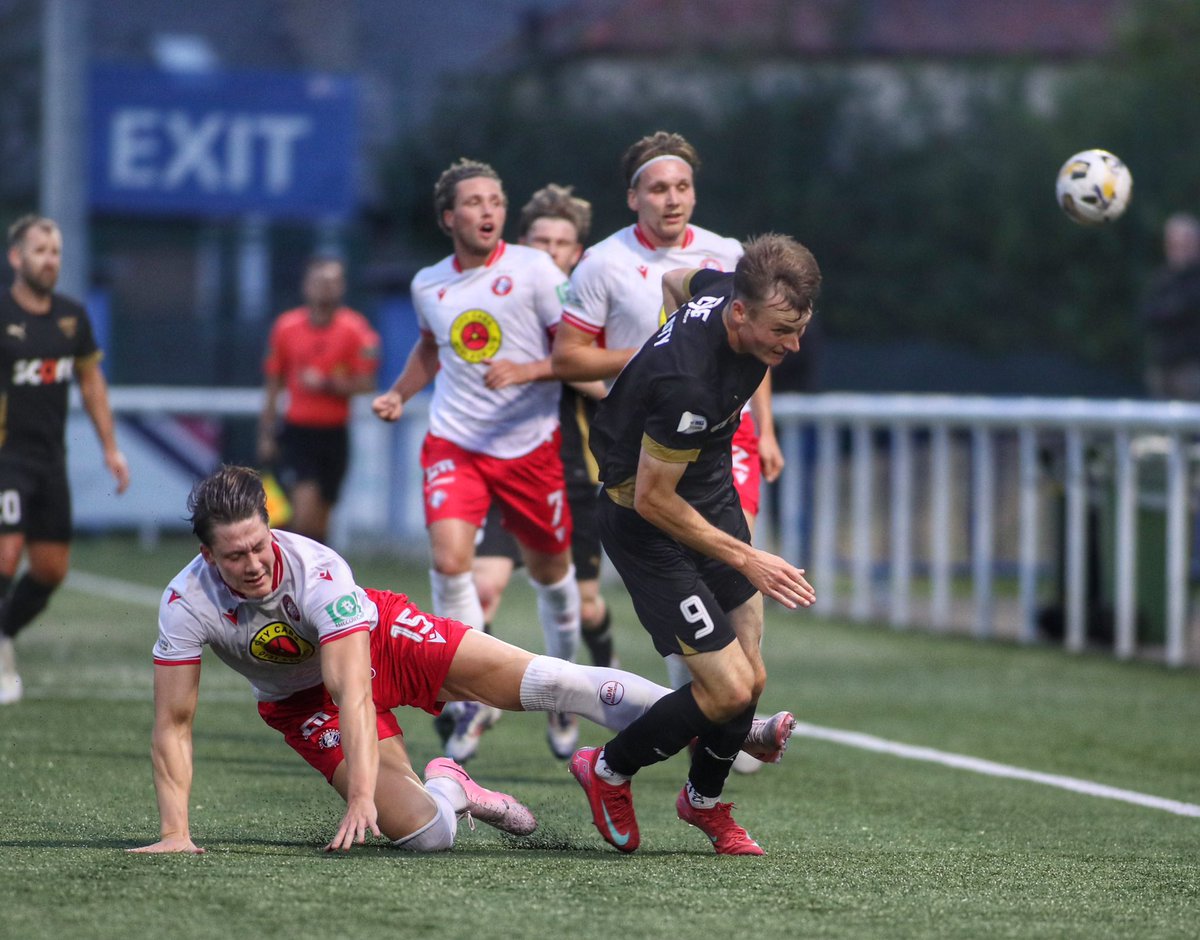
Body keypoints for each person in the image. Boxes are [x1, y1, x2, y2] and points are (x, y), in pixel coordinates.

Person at [130, 465, 791, 854]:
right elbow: (173, 724)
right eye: (233, 556)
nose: (251, 565)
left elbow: (354, 690)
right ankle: (455, 783)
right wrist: (175, 831)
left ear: (268, 527)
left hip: (378, 638)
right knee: (425, 838)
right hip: (300, 702)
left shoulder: (318, 571)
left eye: (257, 546)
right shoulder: (185, 602)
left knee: (550, 681)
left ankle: (727, 731)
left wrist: (360, 791)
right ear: (208, 556)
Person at [569, 234, 820, 856]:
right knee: (727, 691)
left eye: (802, 328)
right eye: (782, 330)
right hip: (644, 519)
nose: (792, 346)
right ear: (741, 311)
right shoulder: (689, 382)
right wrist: (748, 556)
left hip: (706, 493)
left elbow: (678, 281)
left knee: (750, 677)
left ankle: (703, 804)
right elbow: (655, 499)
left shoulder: (724, 290)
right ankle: (606, 771)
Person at [550, 130, 784, 769]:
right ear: (634, 197)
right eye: (658, 187)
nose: (672, 198)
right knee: (689, 575)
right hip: (650, 441)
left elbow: (752, 338)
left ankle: (722, 715)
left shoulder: (728, 254)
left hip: (717, 444)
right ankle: (703, 711)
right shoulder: (601, 262)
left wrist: (763, 428)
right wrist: (661, 362)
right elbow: (567, 358)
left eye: (682, 186)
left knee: (740, 611)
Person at [372, 159, 581, 763]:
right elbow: (432, 346)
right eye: (474, 201)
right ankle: (468, 690)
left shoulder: (535, 269)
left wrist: (530, 369)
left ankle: (565, 686)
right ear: (448, 217)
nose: (488, 210)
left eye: (495, 199)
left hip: (529, 448)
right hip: (455, 444)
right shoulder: (428, 285)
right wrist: (399, 392)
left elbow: (575, 351)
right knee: (448, 559)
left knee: (551, 574)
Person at [471, 183, 618, 759]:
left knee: (584, 607)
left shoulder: (590, 314)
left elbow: (604, 380)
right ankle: (472, 703)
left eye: (563, 242)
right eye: (541, 240)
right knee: (482, 586)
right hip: (507, 471)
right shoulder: (497, 300)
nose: (553, 250)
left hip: (577, 480)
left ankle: (599, 677)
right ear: (522, 245)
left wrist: (541, 367)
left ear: (578, 251)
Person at [0, 215, 130, 705]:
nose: (49, 259)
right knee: (6, 553)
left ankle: (4, 632)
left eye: (55, 251)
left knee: (51, 570)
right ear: (16, 258)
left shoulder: (72, 317)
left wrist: (111, 449)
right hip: (5, 456)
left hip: (51, 460)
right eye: (39, 250)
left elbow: (91, 382)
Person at [257, 256, 380, 544]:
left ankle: (314, 580)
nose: (325, 289)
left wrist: (327, 384)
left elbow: (367, 383)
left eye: (332, 282)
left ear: (342, 287)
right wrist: (266, 432)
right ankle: (287, 574)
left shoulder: (356, 330)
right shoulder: (287, 327)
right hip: (299, 432)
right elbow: (273, 383)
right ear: (306, 286)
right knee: (303, 512)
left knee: (321, 523)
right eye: (319, 282)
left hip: (335, 434)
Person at [1139, 212, 1200, 401]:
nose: (1179, 249)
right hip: (1163, 368)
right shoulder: (1162, 279)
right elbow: (1147, 315)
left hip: (1191, 368)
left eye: (1185, 242)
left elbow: (1185, 310)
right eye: (1174, 243)